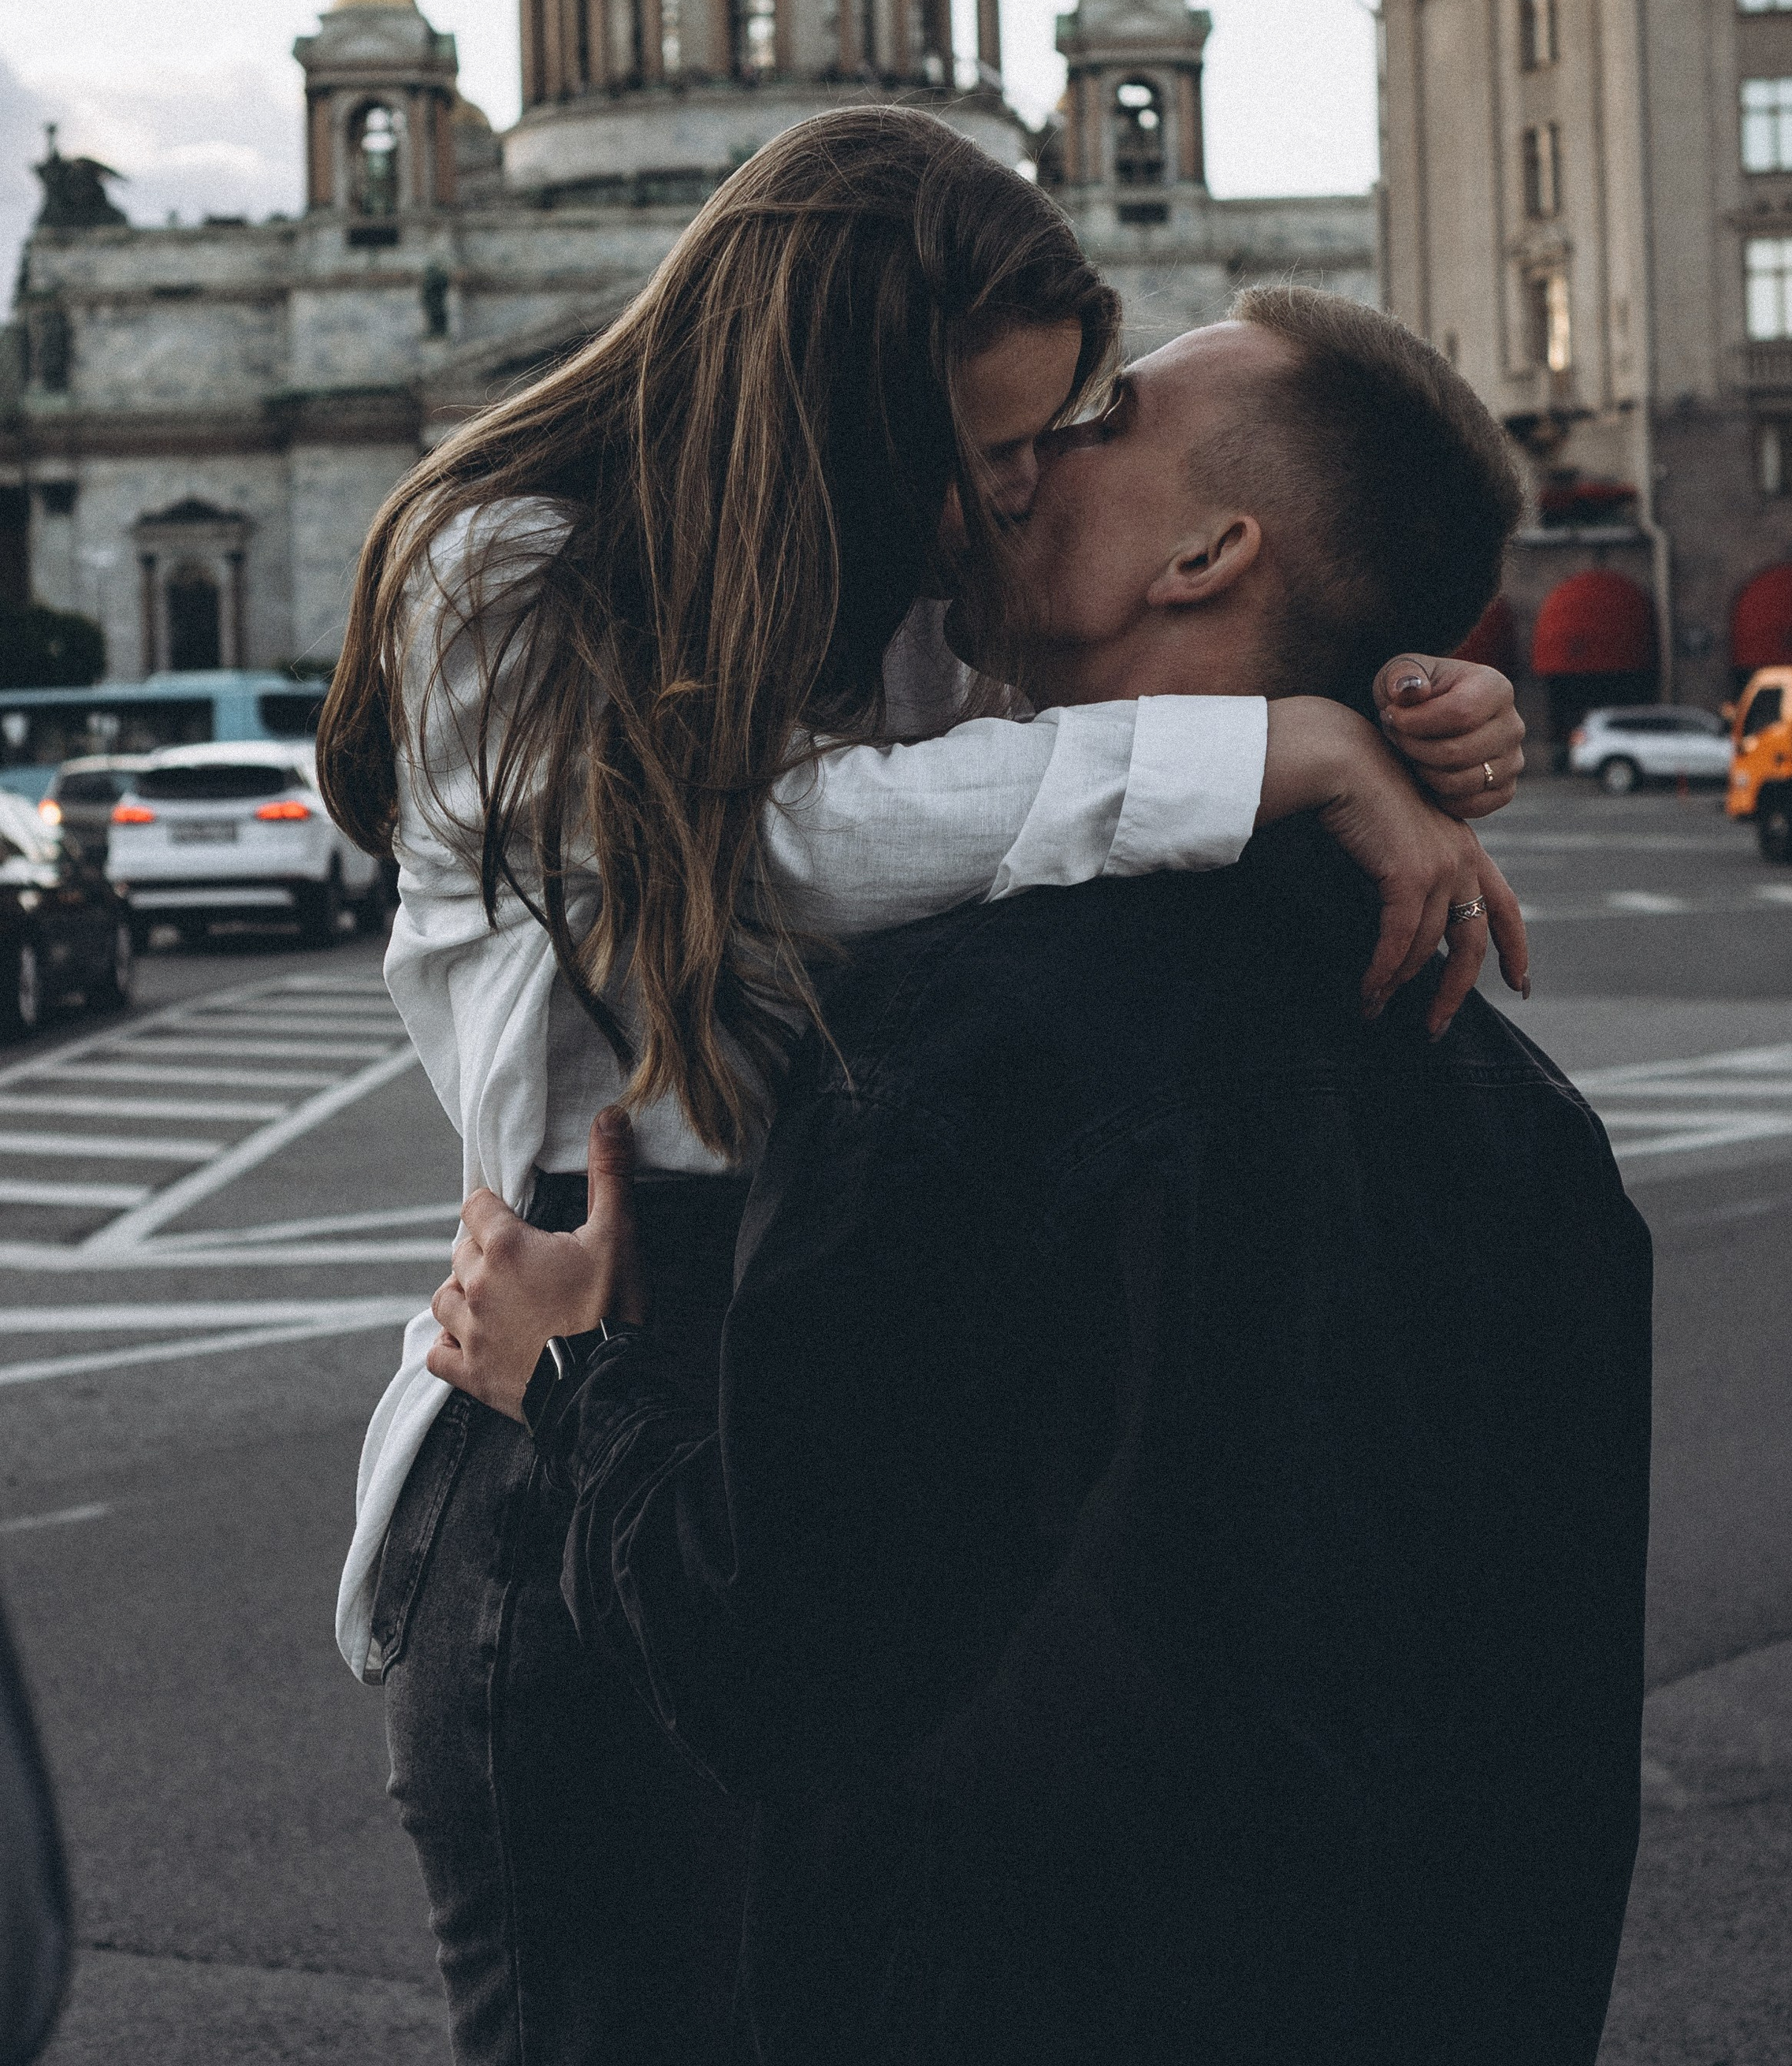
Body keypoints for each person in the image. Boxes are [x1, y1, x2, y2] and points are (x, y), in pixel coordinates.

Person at [318, 118, 1530, 2066]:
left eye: (1064, 439)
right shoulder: (512, 561)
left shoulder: (908, 597)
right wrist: (1271, 749)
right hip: (589, 1379)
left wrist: (1397, 700)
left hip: (793, 1366)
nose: (1020, 495)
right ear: (843, 409)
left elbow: (1083, 729)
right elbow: (760, 849)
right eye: (997, 451)